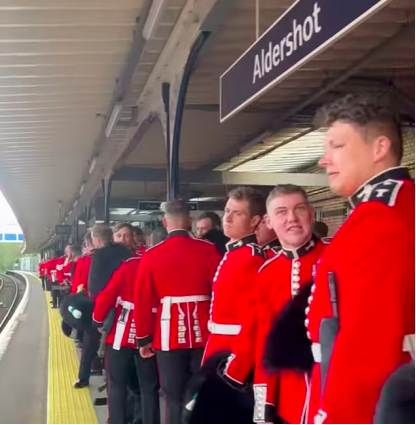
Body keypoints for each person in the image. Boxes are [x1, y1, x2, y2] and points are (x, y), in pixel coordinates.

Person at [306, 93, 415, 424]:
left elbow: (370, 348)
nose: (325, 160)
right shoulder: (397, 205)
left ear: (379, 148)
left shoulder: (377, 219)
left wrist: (334, 415)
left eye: (337, 146)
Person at [134, 200, 222, 424]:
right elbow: (220, 290)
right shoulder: (208, 249)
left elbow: (143, 300)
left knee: (173, 397)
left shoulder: (152, 255)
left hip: (167, 335)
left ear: (165, 222)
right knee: (200, 393)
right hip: (204, 332)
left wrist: (144, 338)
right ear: (190, 221)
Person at [252, 185, 326, 424]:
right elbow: (265, 344)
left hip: (334, 386)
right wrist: (262, 409)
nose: (292, 218)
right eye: (282, 212)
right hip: (291, 397)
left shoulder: (337, 255)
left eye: (299, 209)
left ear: (311, 214)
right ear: (269, 221)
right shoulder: (266, 273)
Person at [202, 187, 266, 363]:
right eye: (227, 211)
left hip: (231, 349)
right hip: (218, 343)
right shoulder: (234, 253)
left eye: (237, 213)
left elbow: (251, 321)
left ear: (254, 220)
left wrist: (237, 363)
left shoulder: (252, 258)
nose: (227, 218)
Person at [94, 257, 160, 425]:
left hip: (121, 334)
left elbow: (108, 294)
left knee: (117, 385)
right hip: (152, 332)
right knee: (148, 387)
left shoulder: (131, 264)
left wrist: (98, 319)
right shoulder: (163, 264)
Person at [74, 224, 132, 389]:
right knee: (118, 348)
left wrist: (98, 315)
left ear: (97, 240)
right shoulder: (125, 253)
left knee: (90, 343)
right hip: (125, 307)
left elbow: (95, 289)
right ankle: (114, 378)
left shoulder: (98, 257)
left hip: (104, 307)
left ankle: (84, 377)